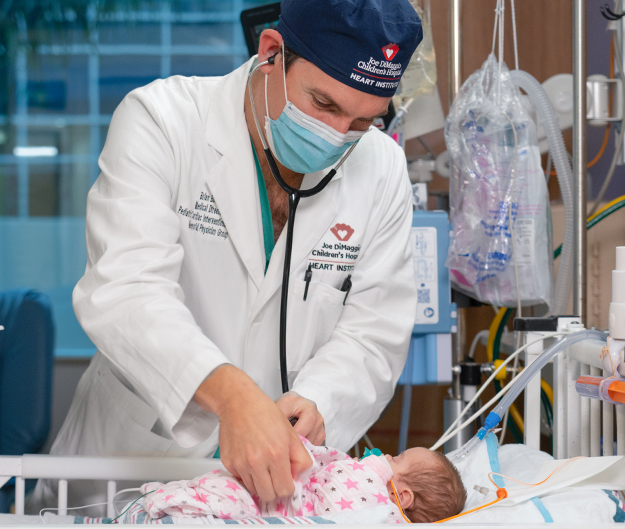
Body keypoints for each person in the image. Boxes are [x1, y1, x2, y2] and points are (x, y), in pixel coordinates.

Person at [28, 0, 422, 515]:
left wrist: (321, 400)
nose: (337, 136)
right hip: (130, 468)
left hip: (280, 489)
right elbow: (125, 290)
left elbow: (374, 333)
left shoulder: (383, 167)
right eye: (324, 105)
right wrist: (232, 395)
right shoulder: (163, 122)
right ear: (271, 53)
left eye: (362, 122)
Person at [138, 440, 467, 524]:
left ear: (403, 496)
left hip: (276, 504)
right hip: (280, 494)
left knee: (231, 497)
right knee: (228, 487)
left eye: (396, 459)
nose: (385, 458)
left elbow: (339, 500)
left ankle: (179, 509)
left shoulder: (377, 509)